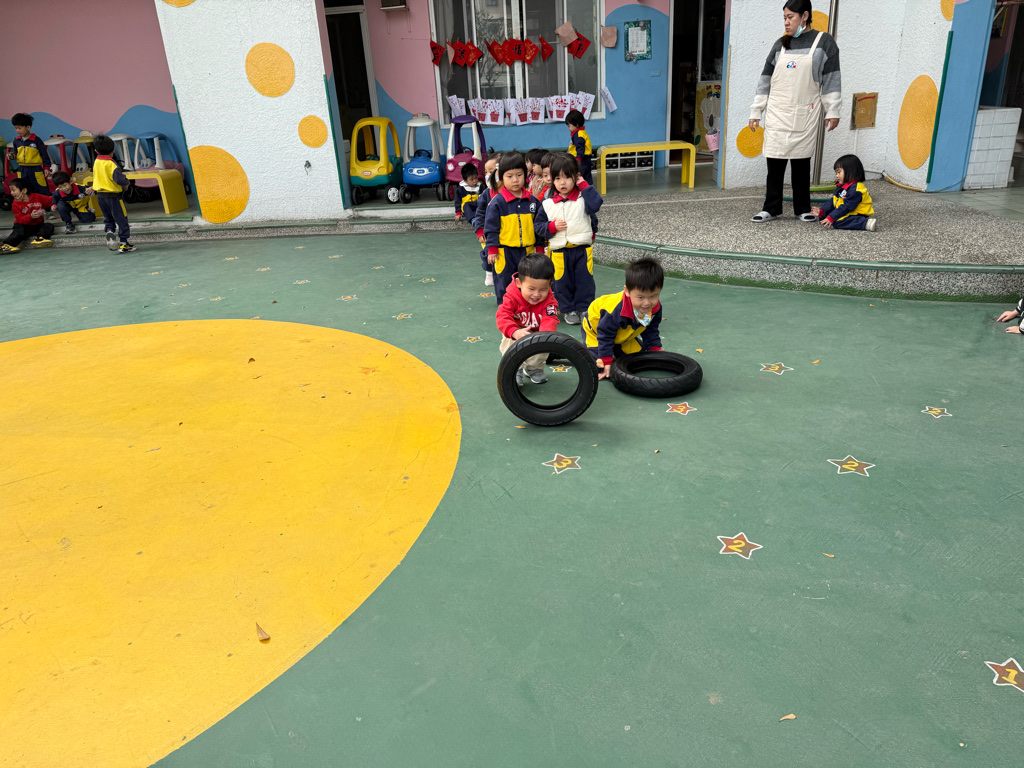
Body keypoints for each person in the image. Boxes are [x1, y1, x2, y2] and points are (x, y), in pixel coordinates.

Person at [749, 0, 841, 224]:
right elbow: (765, 80)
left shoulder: (824, 42)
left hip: (805, 112)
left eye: (790, 17)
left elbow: (831, 78)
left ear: (805, 16)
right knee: (775, 163)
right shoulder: (780, 45)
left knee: (801, 163)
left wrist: (833, 110)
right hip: (778, 112)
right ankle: (771, 208)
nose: (786, 22)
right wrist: (756, 110)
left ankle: (802, 208)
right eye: (784, 18)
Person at [541, 154, 603, 325]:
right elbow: (538, 226)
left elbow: (596, 204)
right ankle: (568, 309)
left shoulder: (584, 198)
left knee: (585, 281)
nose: (562, 182)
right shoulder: (548, 203)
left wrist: (584, 185)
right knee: (562, 282)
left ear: (576, 177)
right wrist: (551, 227)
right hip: (559, 251)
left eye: (567, 177)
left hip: (582, 249)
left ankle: (585, 308)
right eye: (557, 178)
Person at [581, 256, 665, 380]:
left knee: (640, 360)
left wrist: (654, 348)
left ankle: (616, 348)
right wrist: (606, 360)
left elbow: (651, 329)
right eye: (640, 297)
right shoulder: (615, 310)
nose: (647, 303)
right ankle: (573, 350)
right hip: (597, 332)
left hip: (623, 336)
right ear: (627, 291)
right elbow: (605, 334)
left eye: (653, 296)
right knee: (599, 367)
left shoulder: (655, 308)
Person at [483, 151, 550, 304]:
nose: (515, 180)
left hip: (528, 251)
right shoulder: (497, 203)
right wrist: (492, 248)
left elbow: (538, 226)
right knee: (504, 282)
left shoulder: (533, 202)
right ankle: (506, 308)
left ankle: (526, 307)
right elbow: (491, 228)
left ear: (526, 175)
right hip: (504, 251)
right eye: (509, 176)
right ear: (501, 177)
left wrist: (540, 246)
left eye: (519, 175)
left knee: (528, 281)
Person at [495, 253, 560, 386]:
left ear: (550, 285)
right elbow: (503, 315)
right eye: (531, 289)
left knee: (543, 344)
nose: (536, 294)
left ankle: (534, 368)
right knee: (510, 345)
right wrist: (514, 332)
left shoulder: (549, 301)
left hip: (537, 331)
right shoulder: (511, 297)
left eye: (543, 289)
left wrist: (545, 335)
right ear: (519, 283)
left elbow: (550, 318)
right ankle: (514, 370)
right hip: (515, 331)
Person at [91, 135, 136, 253]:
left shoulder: (96, 162)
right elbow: (119, 179)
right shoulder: (112, 164)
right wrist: (127, 182)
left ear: (96, 151)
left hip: (100, 196)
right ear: (113, 149)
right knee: (121, 219)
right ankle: (123, 244)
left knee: (108, 218)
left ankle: (109, 231)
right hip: (113, 196)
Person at [812, 154, 876, 231]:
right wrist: (822, 211)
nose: (837, 176)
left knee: (837, 222)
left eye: (839, 172)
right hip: (849, 211)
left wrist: (832, 217)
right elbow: (834, 201)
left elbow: (847, 206)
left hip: (857, 213)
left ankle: (865, 223)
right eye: (836, 173)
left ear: (851, 171)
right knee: (825, 218)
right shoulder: (843, 187)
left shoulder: (856, 190)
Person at [1, 179, 55, 253]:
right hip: (23, 226)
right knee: (18, 232)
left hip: (37, 225)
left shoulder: (37, 197)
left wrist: (60, 194)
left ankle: (40, 239)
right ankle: (6, 245)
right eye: (11, 190)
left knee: (49, 226)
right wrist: (31, 216)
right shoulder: (15, 205)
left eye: (13, 190)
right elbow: (20, 219)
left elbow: (50, 200)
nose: (11, 193)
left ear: (24, 190)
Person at [473, 153, 502, 287]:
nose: (488, 175)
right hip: (489, 233)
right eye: (486, 172)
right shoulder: (486, 194)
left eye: (491, 171)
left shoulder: (511, 193)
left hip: (506, 233)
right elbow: (480, 213)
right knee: (487, 253)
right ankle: (489, 271)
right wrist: (480, 231)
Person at [10, 113, 52, 195]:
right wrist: (13, 156)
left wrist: (47, 167)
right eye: (15, 128)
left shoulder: (36, 140)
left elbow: (44, 155)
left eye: (19, 128)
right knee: (24, 189)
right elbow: (16, 152)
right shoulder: (16, 140)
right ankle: (29, 202)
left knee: (41, 187)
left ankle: (46, 202)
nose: (17, 130)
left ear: (28, 127)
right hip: (22, 169)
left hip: (35, 169)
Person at [565, 110, 594, 186]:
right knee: (587, 176)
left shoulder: (578, 135)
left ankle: (581, 189)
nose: (568, 128)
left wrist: (578, 159)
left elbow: (580, 148)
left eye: (569, 126)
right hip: (585, 159)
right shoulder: (581, 132)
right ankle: (589, 188)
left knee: (579, 176)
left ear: (576, 125)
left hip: (581, 159)